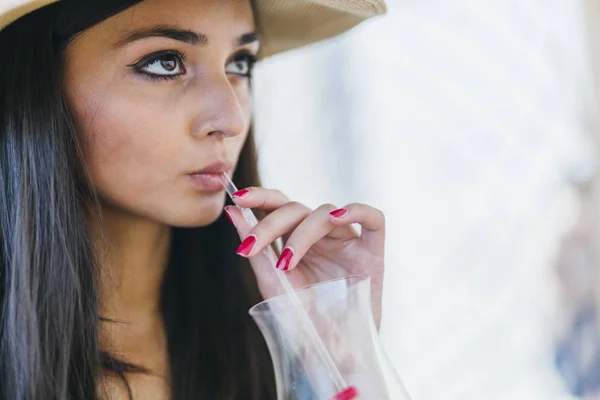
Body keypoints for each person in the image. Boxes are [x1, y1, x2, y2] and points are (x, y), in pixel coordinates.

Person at [0, 0, 387, 398]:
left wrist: (333, 357)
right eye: (165, 62)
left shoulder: (263, 337)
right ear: (34, 83)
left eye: (239, 64)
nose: (231, 119)